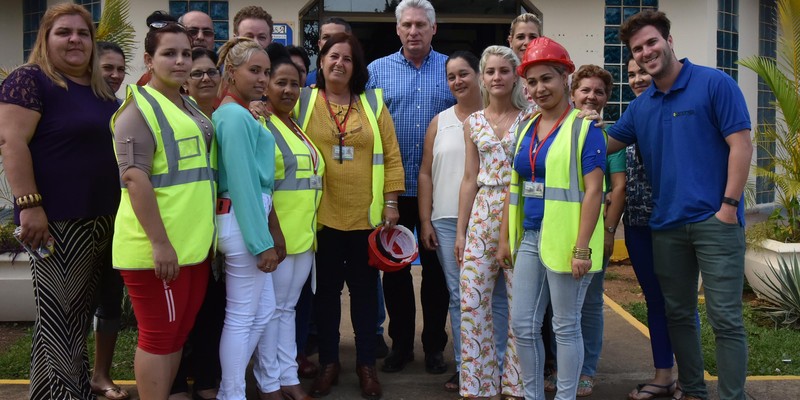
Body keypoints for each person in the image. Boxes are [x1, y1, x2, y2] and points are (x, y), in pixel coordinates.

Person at [607, 10, 752, 400]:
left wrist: (728, 207)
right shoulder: (642, 106)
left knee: (725, 318)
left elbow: (741, 145)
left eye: (651, 42)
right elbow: (604, 145)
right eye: (638, 49)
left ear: (669, 41)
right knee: (679, 315)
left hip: (715, 221)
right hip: (667, 226)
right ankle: (693, 391)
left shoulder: (714, 83)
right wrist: (574, 122)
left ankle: (733, 396)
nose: (646, 52)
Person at [0, 4, 119, 399]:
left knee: (68, 321)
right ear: (45, 39)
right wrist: (29, 205)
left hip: (102, 218)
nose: (75, 39)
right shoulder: (30, 80)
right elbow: (11, 141)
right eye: (64, 32)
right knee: (62, 321)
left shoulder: (99, 89)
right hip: (57, 221)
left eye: (83, 33)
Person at [111, 17, 216, 400]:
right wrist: (160, 244)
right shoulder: (138, 110)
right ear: (148, 60)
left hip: (191, 247)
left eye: (186, 53)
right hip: (157, 250)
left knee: (176, 334)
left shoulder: (187, 106)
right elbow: (134, 179)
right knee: (158, 337)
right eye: (169, 53)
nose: (181, 61)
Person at [295, 32, 404, 400]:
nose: (339, 63)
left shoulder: (371, 104)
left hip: (364, 218)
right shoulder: (304, 100)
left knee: (364, 295)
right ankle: (329, 363)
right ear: (322, 61)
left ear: (356, 67)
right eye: (333, 56)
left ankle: (365, 365)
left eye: (347, 58)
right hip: (321, 217)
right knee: (326, 295)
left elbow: (391, 156)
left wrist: (391, 203)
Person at [497, 36, 606, 400]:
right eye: (532, 81)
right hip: (530, 236)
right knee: (523, 326)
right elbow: (515, 186)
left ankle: (565, 396)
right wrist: (504, 238)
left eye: (547, 78)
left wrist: (582, 249)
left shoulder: (585, 128)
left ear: (565, 79)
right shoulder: (527, 128)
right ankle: (532, 396)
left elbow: (594, 191)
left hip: (567, 241)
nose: (539, 88)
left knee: (565, 326)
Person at [367, 0, 455, 375]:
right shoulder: (376, 71)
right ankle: (400, 345)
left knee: (437, 273)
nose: (413, 31)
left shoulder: (451, 69)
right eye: (407, 25)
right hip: (394, 191)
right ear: (397, 29)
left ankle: (434, 346)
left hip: (440, 190)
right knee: (395, 272)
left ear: (434, 29)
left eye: (421, 24)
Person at [250, 43, 324, 400]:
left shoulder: (295, 126)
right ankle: (269, 382)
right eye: (280, 82)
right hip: (277, 237)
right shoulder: (259, 123)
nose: (288, 90)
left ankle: (287, 376)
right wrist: (272, 233)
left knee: (286, 310)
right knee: (271, 312)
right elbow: (258, 184)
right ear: (266, 84)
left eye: (295, 84)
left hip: (303, 238)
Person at [453, 45, 525, 400]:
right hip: (482, 211)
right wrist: (461, 231)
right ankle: (479, 385)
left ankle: (516, 383)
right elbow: (469, 177)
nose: (497, 77)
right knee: (472, 300)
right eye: (491, 71)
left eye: (504, 71)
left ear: (515, 76)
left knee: (520, 304)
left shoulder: (530, 119)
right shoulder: (473, 122)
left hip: (520, 211)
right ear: (482, 77)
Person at [213, 37, 282, 400]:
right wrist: (261, 242)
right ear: (231, 71)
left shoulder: (241, 113)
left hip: (248, 218)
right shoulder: (234, 116)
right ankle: (232, 392)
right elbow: (242, 182)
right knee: (241, 316)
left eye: (266, 72)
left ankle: (232, 388)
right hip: (243, 222)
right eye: (254, 70)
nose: (262, 79)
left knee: (264, 310)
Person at [418, 50, 482, 393]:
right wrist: (425, 220)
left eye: (464, 74)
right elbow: (426, 173)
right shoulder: (439, 121)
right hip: (444, 219)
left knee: (492, 297)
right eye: (451, 76)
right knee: (459, 296)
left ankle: (493, 364)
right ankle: (465, 367)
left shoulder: (496, 117)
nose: (457, 81)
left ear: (479, 75)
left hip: (486, 219)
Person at [564, 64, 626, 397]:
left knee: (588, 305)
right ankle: (562, 367)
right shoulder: (558, 130)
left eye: (599, 92)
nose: (591, 96)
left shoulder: (607, 136)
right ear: (572, 94)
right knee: (559, 306)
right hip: (559, 229)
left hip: (594, 232)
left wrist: (609, 231)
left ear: (606, 98)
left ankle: (586, 370)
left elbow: (618, 188)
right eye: (585, 90)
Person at [167, 47, 225, 400]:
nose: (205, 78)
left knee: (211, 311)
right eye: (197, 73)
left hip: (217, 232)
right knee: (178, 316)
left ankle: (206, 380)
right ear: (185, 81)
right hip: (181, 230)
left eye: (211, 72)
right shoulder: (176, 118)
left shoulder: (226, 118)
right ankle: (175, 384)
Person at [622, 55, 681, 400]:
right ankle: (663, 376)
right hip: (637, 224)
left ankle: (689, 378)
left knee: (679, 303)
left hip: (672, 222)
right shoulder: (632, 114)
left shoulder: (671, 111)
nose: (637, 79)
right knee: (655, 301)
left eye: (642, 71)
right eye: (631, 74)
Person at [89, 40, 130, 400]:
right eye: (108, 68)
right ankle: (69, 373)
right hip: (79, 220)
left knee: (110, 299)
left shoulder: (124, 110)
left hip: (118, 219)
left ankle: (100, 374)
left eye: (120, 69)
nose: (115, 75)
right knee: (73, 304)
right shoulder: (74, 108)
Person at [306, 17, 351, 87]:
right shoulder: (306, 81)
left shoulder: (362, 82)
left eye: (338, 37)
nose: (331, 41)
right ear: (319, 44)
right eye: (326, 37)